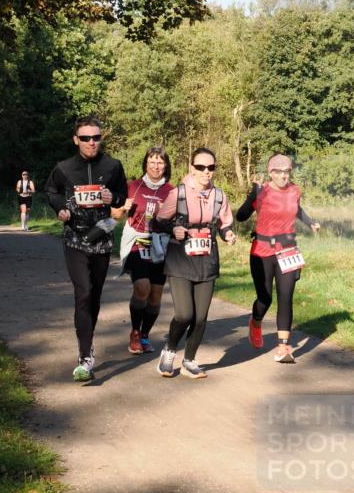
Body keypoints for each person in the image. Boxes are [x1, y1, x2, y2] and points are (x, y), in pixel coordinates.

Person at [44, 117, 127, 382]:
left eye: (96, 138)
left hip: (101, 235)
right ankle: (84, 356)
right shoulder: (64, 168)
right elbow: (51, 190)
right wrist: (60, 209)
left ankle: (87, 340)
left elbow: (122, 196)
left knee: (95, 296)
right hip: (75, 238)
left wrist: (111, 198)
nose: (92, 143)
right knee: (84, 291)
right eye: (86, 138)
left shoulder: (113, 166)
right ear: (76, 140)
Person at [153, 148, 236, 379]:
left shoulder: (219, 196)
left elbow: (224, 223)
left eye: (211, 167)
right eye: (201, 167)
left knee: (200, 317)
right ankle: (169, 349)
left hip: (206, 258)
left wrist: (227, 234)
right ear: (191, 168)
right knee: (184, 314)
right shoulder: (178, 194)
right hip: (180, 258)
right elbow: (158, 222)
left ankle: (189, 359)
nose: (206, 172)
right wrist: (174, 228)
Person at [236, 153, 320, 363]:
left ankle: (283, 347)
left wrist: (310, 222)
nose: (284, 176)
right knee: (265, 298)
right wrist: (251, 196)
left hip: (288, 250)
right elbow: (241, 216)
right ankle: (255, 322)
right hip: (262, 251)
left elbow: (297, 209)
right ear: (270, 172)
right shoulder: (261, 192)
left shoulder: (294, 191)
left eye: (287, 171)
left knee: (286, 296)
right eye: (279, 172)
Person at [113, 146, 174, 354]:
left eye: (160, 162)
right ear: (145, 164)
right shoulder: (132, 186)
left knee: (156, 296)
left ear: (166, 166)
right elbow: (115, 215)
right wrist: (122, 208)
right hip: (137, 242)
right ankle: (135, 332)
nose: (156, 166)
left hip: (160, 245)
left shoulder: (172, 191)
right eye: (152, 162)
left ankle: (145, 334)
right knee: (142, 288)